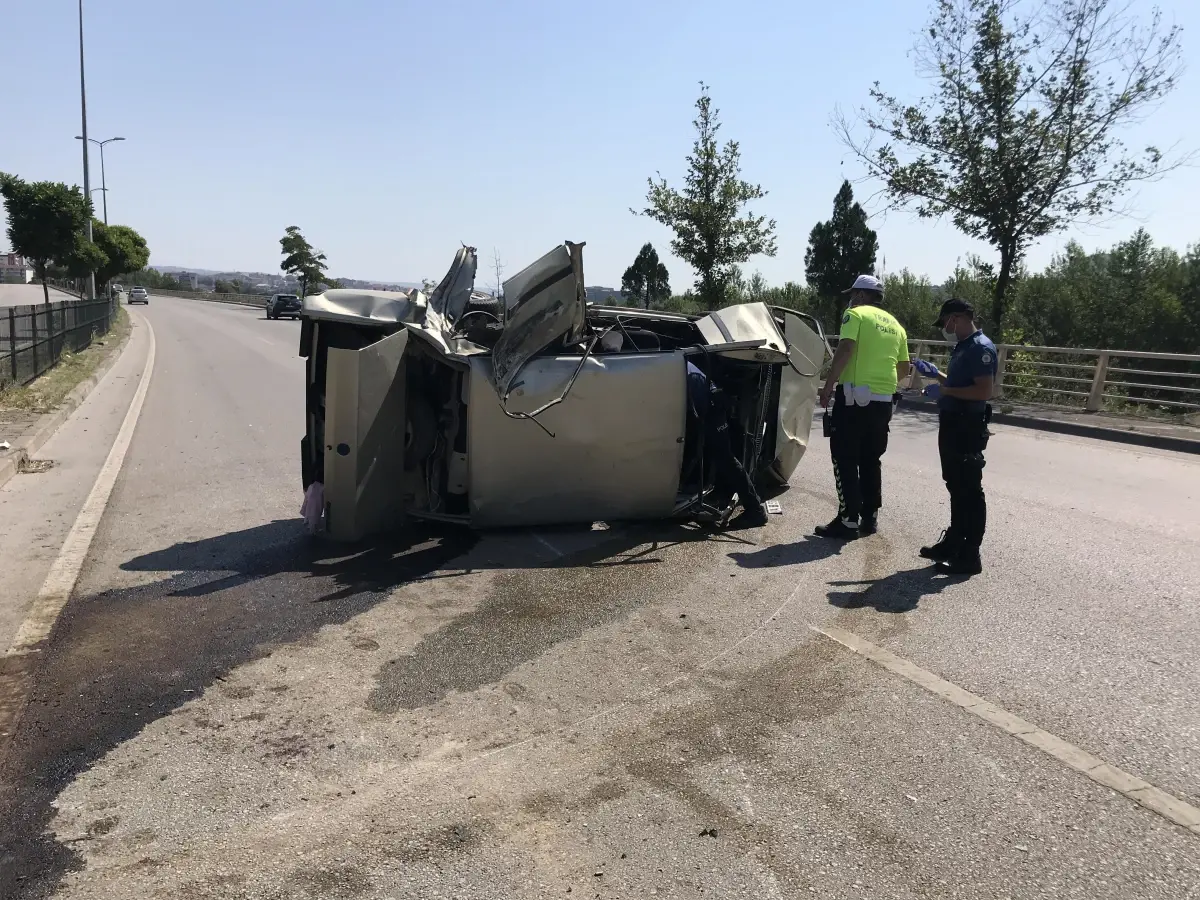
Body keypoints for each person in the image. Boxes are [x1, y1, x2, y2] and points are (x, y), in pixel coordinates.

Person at [815, 275, 910, 540]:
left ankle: (847, 520)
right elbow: (903, 368)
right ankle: (870, 517)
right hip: (884, 401)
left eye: (853, 294)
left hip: (855, 399)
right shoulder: (896, 326)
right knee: (871, 459)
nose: (851, 299)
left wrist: (828, 385)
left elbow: (845, 349)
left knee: (844, 457)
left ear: (861, 295)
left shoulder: (855, 315)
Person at [914, 298, 997, 575]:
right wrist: (938, 376)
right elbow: (959, 383)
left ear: (958, 317)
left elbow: (983, 391)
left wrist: (947, 392)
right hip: (952, 423)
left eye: (947, 321)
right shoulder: (962, 347)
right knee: (955, 486)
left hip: (967, 425)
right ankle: (954, 543)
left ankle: (970, 554)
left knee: (969, 490)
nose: (945, 327)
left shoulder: (981, 347)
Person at [686, 360, 768, 528]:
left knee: (725, 458)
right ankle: (720, 495)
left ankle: (755, 510)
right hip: (707, 402)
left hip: (712, 407)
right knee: (718, 455)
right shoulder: (671, 362)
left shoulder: (666, 366)